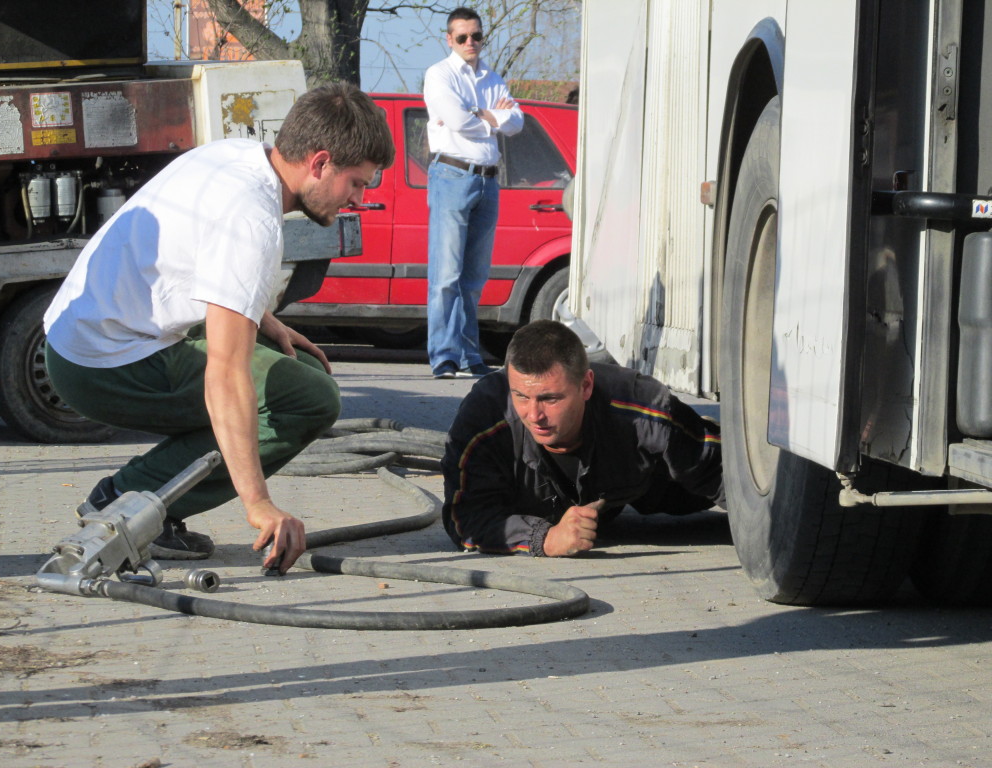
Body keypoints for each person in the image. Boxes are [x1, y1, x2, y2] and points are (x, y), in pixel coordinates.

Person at [43, 83, 395, 575]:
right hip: (100, 365)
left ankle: (141, 494)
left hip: (82, 337)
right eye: (356, 183)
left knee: (301, 371)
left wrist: (262, 318)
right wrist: (258, 503)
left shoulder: (239, 156)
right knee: (307, 399)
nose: (357, 199)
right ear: (319, 163)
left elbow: (198, 261)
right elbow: (225, 377)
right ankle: (133, 504)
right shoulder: (251, 219)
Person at [441, 320, 725, 557]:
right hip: (541, 510)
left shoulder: (642, 408)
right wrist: (545, 539)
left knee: (696, 496)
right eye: (521, 396)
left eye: (550, 399)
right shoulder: (483, 419)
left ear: (586, 385)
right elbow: (464, 518)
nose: (534, 415)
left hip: (647, 484)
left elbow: (731, 476)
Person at [423, 6, 524, 379]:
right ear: (449, 39)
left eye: (476, 36)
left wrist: (487, 115)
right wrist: (491, 118)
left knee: (474, 276)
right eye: (462, 37)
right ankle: (444, 355)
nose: (471, 43)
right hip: (452, 174)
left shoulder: (491, 77)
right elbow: (459, 120)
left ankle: (469, 354)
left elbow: (518, 121)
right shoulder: (439, 75)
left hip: (488, 178)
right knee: (447, 273)